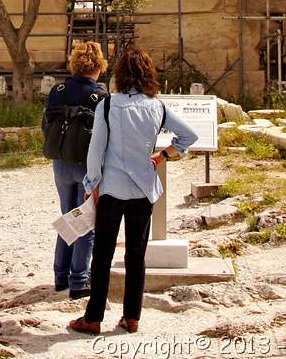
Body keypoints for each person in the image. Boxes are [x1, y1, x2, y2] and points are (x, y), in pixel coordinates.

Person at [69, 47, 197, 335]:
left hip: (112, 188)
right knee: (136, 255)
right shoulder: (158, 106)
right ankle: (132, 316)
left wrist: (91, 185)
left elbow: (96, 149)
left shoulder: (108, 104)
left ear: (120, 74)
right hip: (143, 189)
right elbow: (190, 135)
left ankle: (93, 317)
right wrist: (164, 155)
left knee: (102, 253)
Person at [44, 41, 109, 299]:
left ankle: (60, 277)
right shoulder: (101, 97)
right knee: (86, 223)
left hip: (60, 162)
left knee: (67, 219)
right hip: (86, 166)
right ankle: (79, 281)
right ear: (99, 65)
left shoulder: (57, 91)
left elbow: (46, 125)